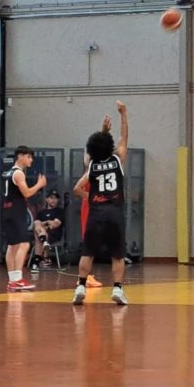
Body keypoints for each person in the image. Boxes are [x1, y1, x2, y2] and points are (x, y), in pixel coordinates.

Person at [72, 101, 129, 306]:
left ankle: (80, 286)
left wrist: (92, 197)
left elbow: (76, 189)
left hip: (96, 213)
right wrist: (123, 114)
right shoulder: (117, 160)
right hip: (115, 212)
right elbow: (124, 137)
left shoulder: (92, 165)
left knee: (88, 252)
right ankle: (118, 289)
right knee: (118, 254)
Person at [2, 145, 46, 292]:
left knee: (12, 246)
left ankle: (12, 280)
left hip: (8, 210)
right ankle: (17, 279)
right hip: (15, 212)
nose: (31, 160)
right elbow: (26, 193)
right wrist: (39, 184)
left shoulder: (9, 172)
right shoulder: (18, 173)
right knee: (24, 244)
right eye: (28, 157)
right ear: (20, 156)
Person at [30, 189, 65, 271]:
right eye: (51, 198)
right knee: (37, 224)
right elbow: (36, 224)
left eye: (56, 198)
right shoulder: (41, 212)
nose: (54, 200)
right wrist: (48, 223)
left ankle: (36, 261)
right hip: (42, 233)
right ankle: (44, 242)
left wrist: (44, 223)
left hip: (53, 235)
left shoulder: (60, 211)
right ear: (46, 199)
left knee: (38, 233)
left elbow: (55, 224)